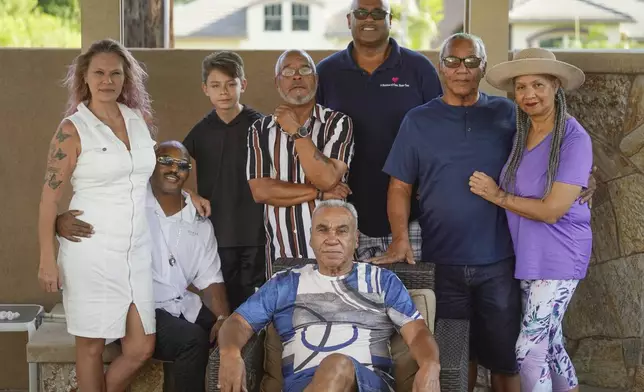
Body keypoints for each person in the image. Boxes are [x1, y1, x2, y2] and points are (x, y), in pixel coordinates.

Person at [381, 33, 596, 392]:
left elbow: (561, 153)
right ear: (440, 66)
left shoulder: (511, 115)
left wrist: (588, 178)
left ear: (483, 67)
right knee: (454, 358)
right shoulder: (418, 121)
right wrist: (401, 238)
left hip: (502, 261)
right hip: (443, 261)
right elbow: (400, 186)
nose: (460, 70)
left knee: (508, 357)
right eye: (452, 61)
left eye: (471, 61)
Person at [37, 38, 209, 392]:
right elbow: (49, 200)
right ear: (84, 77)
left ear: (125, 78)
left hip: (136, 254)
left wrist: (186, 192)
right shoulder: (73, 129)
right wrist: (46, 257)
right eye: (98, 73)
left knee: (141, 346)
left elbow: (142, 177)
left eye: (115, 73)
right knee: (91, 346)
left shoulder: (138, 120)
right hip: (91, 251)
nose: (107, 80)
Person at [56, 141, 231, 392]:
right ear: (150, 164)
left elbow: (212, 280)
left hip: (180, 305)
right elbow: (89, 219)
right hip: (136, 308)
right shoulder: (129, 205)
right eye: (165, 161)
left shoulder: (200, 223)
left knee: (231, 333)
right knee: (191, 341)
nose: (174, 169)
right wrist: (59, 222)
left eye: (182, 165)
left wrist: (223, 318)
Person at [217, 200, 441, 392]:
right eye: (322, 229)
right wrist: (229, 353)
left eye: (342, 230)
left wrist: (431, 364)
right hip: (301, 385)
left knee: (336, 365)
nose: (332, 238)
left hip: (368, 384)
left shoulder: (381, 281)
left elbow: (417, 332)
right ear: (312, 238)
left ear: (356, 240)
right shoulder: (284, 284)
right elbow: (238, 322)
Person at [470, 48, 592, 392]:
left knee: (529, 350)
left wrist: (498, 196)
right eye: (521, 87)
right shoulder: (523, 133)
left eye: (538, 84)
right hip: (530, 254)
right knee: (550, 345)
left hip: (558, 255)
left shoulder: (572, 137)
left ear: (555, 85)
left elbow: (553, 210)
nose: (528, 94)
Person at [316, 0, 442, 263]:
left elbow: (439, 132)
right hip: (345, 216)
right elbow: (313, 138)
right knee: (350, 302)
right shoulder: (326, 73)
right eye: (361, 13)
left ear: (390, 20)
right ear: (349, 20)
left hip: (412, 218)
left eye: (378, 13)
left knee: (412, 300)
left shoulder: (418, 69)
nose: (369, 19)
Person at [246, 49, 354, 276]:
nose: (296, 76)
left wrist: (296, 130)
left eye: (304, 70)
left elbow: (326, 178)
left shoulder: (338, 123)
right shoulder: (260, 130)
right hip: (281, 255)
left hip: (332, 257)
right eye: (288, 72)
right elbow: (261, 191)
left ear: (315, 79)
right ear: (278, 83)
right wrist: (320, 195)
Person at [182, 51, 266, 311]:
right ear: (205, 89)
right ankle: (223, 350)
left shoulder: (261, 126)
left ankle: (256, 351)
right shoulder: (201, 131)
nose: (224, 92)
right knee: (223, 305)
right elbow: (169, 169)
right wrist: (190, 195)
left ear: (244, 84)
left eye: (231, 84)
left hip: (258, 233)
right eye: (216, 85)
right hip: (218, 233)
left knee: (256, 303)